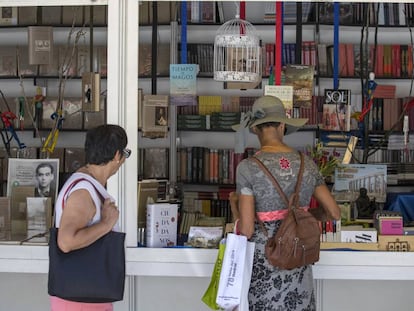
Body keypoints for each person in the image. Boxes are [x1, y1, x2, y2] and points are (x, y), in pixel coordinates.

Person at [230, 96, 341, 311]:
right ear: (282, 126)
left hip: (266, 262)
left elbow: (246, 229)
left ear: (254, 130)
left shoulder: (247, 168)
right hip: (298, 257)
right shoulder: (307, 164)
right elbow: (334, 213)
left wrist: (234, 207)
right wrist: (303, 216)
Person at [50, 124, 130, 311]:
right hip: (81, 301)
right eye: (125, 153)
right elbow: (66, 242)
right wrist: (106, 224)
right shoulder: (83, 192)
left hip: (84, 296)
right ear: (117, 155)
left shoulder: (87, 183)